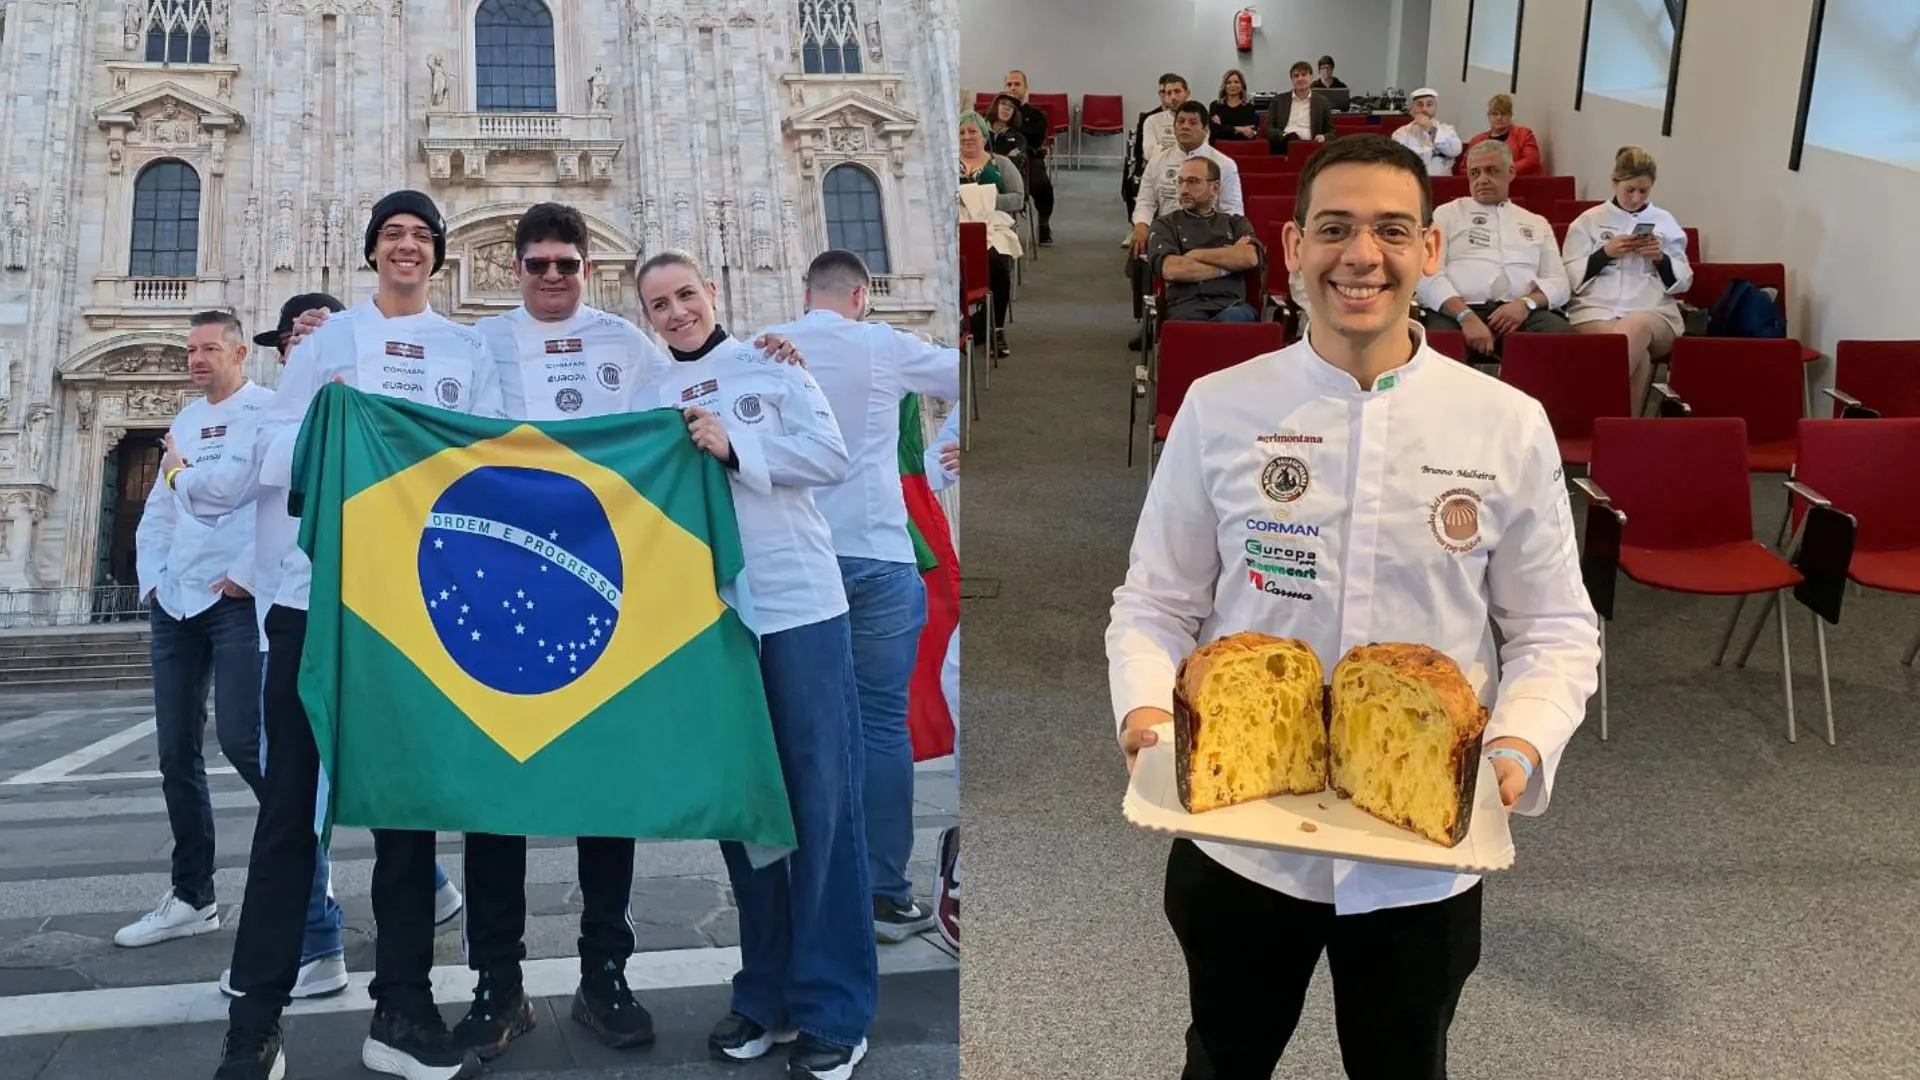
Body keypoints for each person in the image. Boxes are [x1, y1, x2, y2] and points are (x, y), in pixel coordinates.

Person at [1107, 134, 1601, 1080]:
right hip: (1244, 833)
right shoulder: (1222, 405)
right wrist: (1141, 712)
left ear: (1430, 250)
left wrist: (1518, 746)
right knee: (1223, 1056)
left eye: (1390, 230)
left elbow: (1553, 626)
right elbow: (1156, 601)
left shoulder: (1503, 423)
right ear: (1291, 247)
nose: (1361, 256)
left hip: (1423, 844)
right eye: (1334, 229)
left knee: (1404, 1063)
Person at [177, 189, 502, 1080]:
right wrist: (338, 428)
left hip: (413, 611)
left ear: (439, 255)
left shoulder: (466, 351)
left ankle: (401, 1012)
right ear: (372, 253)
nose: (407, 245)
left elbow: (496, 462)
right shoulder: (323, 347)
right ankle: (256, 1022)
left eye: (420, 235)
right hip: (316, 603)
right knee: (290, 817)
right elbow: (273, 454)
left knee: (408, 819)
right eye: (392, 234)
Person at [633, 250, 876, 1080]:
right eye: (659, 304)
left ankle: (834, 1005)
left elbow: (831, 458)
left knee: (819, 809)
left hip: (800, 608)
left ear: (716, 293)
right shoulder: (653, 397)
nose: (676, 313)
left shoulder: (770, 366)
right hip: (717, 626)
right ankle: (764, 991)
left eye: (686, 295)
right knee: (748, 818)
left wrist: (739, 448)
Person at [761, 249, 960, 946]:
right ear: (859, 297)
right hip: (878, 552)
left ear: (806, 293)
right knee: (881, 725)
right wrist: (942, 462)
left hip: (798, 559)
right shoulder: (881, 344)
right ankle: (883, 891)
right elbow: (969, 376)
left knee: (802, 727)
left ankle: (806, 887)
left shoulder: (768, 345)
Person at [119, 311, 270, 956]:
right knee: (175, 753)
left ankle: (317, 871)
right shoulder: (182, 421)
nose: (196, 359)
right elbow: (159, 508)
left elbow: (276, 504)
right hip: (175, 603)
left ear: (240, 351)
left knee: (247, 743)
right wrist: (152, 576)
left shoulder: (268, 412)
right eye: (191, 350)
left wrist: (248, 573)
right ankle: (192, 895)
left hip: (235, 600)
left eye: (209, 348)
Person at [1416, 139, 1574, 360]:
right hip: (1457, 312)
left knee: (1566, 341)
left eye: (1491, 171)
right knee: (1439, 348)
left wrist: (1525, 304)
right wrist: (1466, 316)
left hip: (1522, 314)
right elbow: (1427, 276)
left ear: (1510, 172)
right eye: (1474, 173)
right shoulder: (1448, 214)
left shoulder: (1536, 222)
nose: (1482, 180)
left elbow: (1559, 283)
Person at [1563, 146, 1692, 410]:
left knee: (1635, 326)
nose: (1635, 198)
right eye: (1629, 190)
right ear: (1614, 183)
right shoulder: (1588, 221)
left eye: (1643, 191)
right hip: (1596, 309)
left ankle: (1589, 405)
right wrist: (1605, 254)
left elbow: (1684, 280)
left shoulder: (1665, 221)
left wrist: (1660, 258)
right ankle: (1622, 429)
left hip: (1653, 311)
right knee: (1639, 357)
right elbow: (1567, 276)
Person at [1147, 157, 1264, 324]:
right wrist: (1229, 263)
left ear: (1215, 188)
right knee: (1192, 329)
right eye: (1180, 182)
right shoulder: (1165, 225)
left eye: (1192, 182)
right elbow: (1172, 269)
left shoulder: (1236, 223)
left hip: (1232, 305)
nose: (1184, 189)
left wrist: (1194, 254)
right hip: (1185, 307)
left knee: (1233, 319)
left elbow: (1249, 257)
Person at [1124, 73, 1190, 221]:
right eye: (1168, 93)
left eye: (1177, 92)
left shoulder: (1198, 119)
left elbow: (1198, 152)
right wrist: (1181, 150)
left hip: (1189, 172)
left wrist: (1163, 148)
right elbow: (1149, 152)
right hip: (1157, 173)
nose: (1173, 97)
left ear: (1187, 93)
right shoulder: (1152, 120)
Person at [1002, 70, 1054, 245]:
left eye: (1017, 84)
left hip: (1029, 158)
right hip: (1001, 159)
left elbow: (1035, 139)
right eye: (1009, 84)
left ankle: (1044, 225)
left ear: (1025, 88)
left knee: (1042, 185)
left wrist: (1013, 128)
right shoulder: (997, 112)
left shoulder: (1036, 115)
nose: (1013, 88)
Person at [1461, 93, 1541, 177]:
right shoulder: (1476, 141)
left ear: (1510, 115)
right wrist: (1485, 173)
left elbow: (1531, 161)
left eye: (1503, 113)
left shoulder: (1524, 134)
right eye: (1495, 114)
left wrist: (1502, 171)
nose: (1499, 117)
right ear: (1489, 116)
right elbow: (1464, 168)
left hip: (1519, 183)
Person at [1261, 61, 1334, 149]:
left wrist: (1323, 137)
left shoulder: (1323, 102)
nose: (1300, 78)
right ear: (1292, 80)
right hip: (1284, 145)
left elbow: (1332, 132)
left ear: (1311, 77)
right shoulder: (1278, 101)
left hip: (1311, 146)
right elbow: (1267, 129)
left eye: (1304, 75)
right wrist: (1284, 135)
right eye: (1296, 76)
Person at [1392, 88, 1462, 176]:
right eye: (1420, 105)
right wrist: (1434, 152)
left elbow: (1455, 150)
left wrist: (1430, 129)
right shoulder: (1401, 133)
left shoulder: (1447, 130)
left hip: (1443, 182)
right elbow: (1404, 160)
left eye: (1429, 104)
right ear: (1413, 108)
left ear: (1435, 107)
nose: (1424, 109)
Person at [1209, 69, 1259, 144]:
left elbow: (1250, 134)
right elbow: (1215, 130)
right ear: (1224, 86)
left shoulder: (1249, 107)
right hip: (1219, 148)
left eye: (1236, 82)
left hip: (1242, 147)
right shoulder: (1215, 106)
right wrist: (1240, 129)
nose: (1233, 85)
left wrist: (1224, 128)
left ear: (1242, 85)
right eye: (1228, 82)